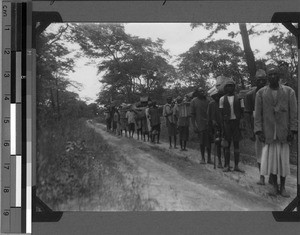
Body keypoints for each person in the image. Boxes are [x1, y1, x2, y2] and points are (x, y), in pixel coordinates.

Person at [254, 64, 297, 197]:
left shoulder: (289, 92)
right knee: (271, 161)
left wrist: (293, 130)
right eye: (270, 74)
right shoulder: (261, 93)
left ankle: (283, 187)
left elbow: (294, 113)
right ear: (267, 77)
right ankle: (273, 186)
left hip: (284, 132)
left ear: (279, 76)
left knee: (283, 161)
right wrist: (259, 131)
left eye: (275, 74)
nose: (273, 76)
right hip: (268, 132)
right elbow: (258, 115)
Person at [244, 69, 268, 184]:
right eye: (259, 80)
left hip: (271, 126)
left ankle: (272, 178)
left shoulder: (271, 92)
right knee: (259, 153)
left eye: (263, 80)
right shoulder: (249, 95)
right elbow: (247, 114)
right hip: (257, 126)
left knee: (271, 152)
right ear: (255, 81)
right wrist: (250, 131)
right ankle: (262, 176)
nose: (261, 82)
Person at [219, 78, 245, 173]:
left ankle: (236, 165)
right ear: (225, 88)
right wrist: (222, 126)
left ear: (234, 87)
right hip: (227, 123)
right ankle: (226, 165)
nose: (230, 87)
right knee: (227, 145)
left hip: (236, 123)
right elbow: (221, 113)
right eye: (228, 86)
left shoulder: (239, 98)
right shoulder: (222, 99)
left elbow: (242, 112)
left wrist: (242, 122)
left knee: (236, 145)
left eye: (231, 86)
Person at [191, 88, 212, 164]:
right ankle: (203, 158)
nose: (202, 92)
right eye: (200, 91)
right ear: (197, 93)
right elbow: (192, 115)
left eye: (203, 91)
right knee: (202, 142)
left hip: (209, 125)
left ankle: (209, 158)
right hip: (200, 125)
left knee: (209, 142)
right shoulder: (194, 101)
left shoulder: (208, 101)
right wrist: (194, 126)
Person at [207, 87, 224, 168]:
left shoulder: (222, 102)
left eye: (217, 95)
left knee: (224, 143)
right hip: (215, 127)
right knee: (217, 143)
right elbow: (209, 117)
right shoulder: (211, 104)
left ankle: (225, 162)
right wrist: (211, 125)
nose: (216, 97)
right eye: (214, 96)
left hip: (223, 125)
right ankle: (219, 161)